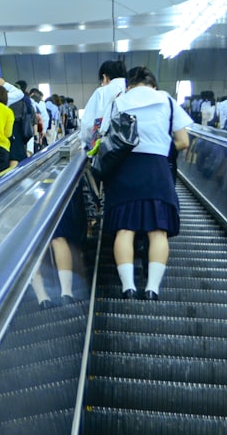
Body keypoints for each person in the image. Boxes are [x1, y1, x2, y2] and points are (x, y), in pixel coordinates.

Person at [102, 66, 192, 300]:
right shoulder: (167, 101)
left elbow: (105, 135)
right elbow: (183, 141)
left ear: (129, 84)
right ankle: (152, 288)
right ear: (153, 84)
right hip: (157, 170)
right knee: (158, 231)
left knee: (125, 229)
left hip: (125, 168)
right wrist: (162, 147)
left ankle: (128, 287)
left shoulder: (119, 101)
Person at [80, 60, 127, 150]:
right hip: (132, 149)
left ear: (105, 77)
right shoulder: (131, 89)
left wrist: (85, 142)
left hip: (107, 149)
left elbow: (87, 125)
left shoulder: (101, 92)